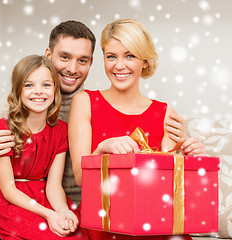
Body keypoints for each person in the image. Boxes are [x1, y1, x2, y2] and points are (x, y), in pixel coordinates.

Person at [0, 20, 187, 240]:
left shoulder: (79, 109)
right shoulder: (14, 107)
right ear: (48, 56)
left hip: (61, 204)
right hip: (11, 205)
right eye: (64, 57)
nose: (72, 68)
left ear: (91, 63)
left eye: (82, 60)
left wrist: (183, 148)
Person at [68, 19, 205, 239]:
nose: (119, 65)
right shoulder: (85, 102)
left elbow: (168, 187)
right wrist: (103, 148)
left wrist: (193, 159)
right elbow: (80, 177)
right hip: (105, 222)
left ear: (145, 62)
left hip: (153, 221)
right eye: (111, 56)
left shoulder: (165, 112)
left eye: (129, 56)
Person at [0, 54, 88, 239]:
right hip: (9, 200)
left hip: (42, 196)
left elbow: (53, 186)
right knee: (45, 235)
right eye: (29, 85)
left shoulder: (61, 131)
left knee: (75, 231)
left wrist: (62, 211)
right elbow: (8, 190)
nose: (38, 91)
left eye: (46, 85)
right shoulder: (3, 128)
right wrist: (49, 214)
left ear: (55, 90)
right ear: (18, 91)